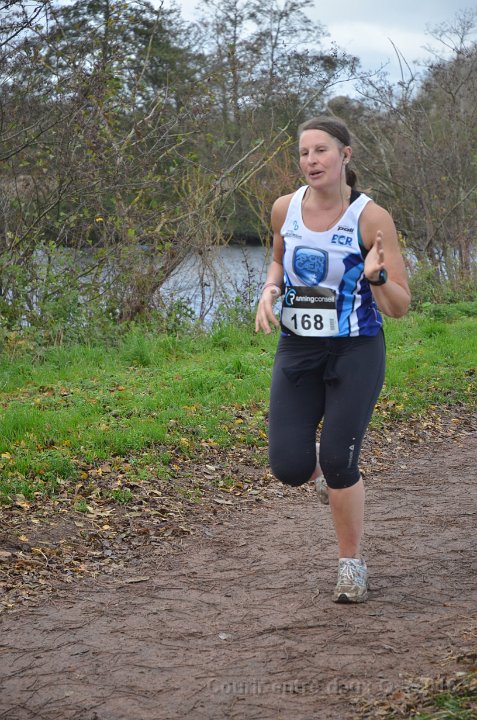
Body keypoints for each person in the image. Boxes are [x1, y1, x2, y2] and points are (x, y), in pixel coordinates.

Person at [255, 116, 410, 603]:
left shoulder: (371, 218)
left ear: (345, 155)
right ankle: (322, 471)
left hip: (356, 348)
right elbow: (278, 258)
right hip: (298, 347)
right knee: (289, 466)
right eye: (304, 153)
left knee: (340, 461)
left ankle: (351, 565)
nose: (311, 160)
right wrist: (270, 289)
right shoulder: (285, 208)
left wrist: (377, 278)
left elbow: (400, 306)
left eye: (321, 150)